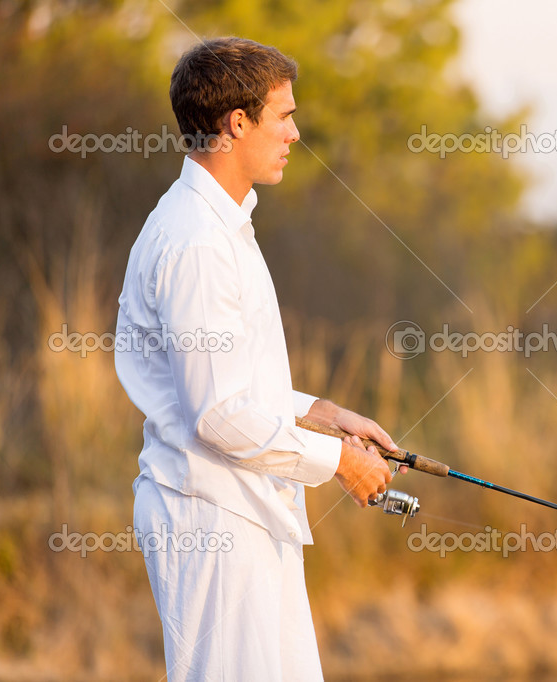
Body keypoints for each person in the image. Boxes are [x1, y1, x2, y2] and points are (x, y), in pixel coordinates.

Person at [115, 36, 397, 681]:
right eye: (284, 116)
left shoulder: (223, 227)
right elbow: (217, 415)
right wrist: (339, 464)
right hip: (212, 518)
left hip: (245, 512)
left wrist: (325, 416)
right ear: (236, 123)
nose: (296, 133)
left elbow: (233, 387)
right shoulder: (195, 241)